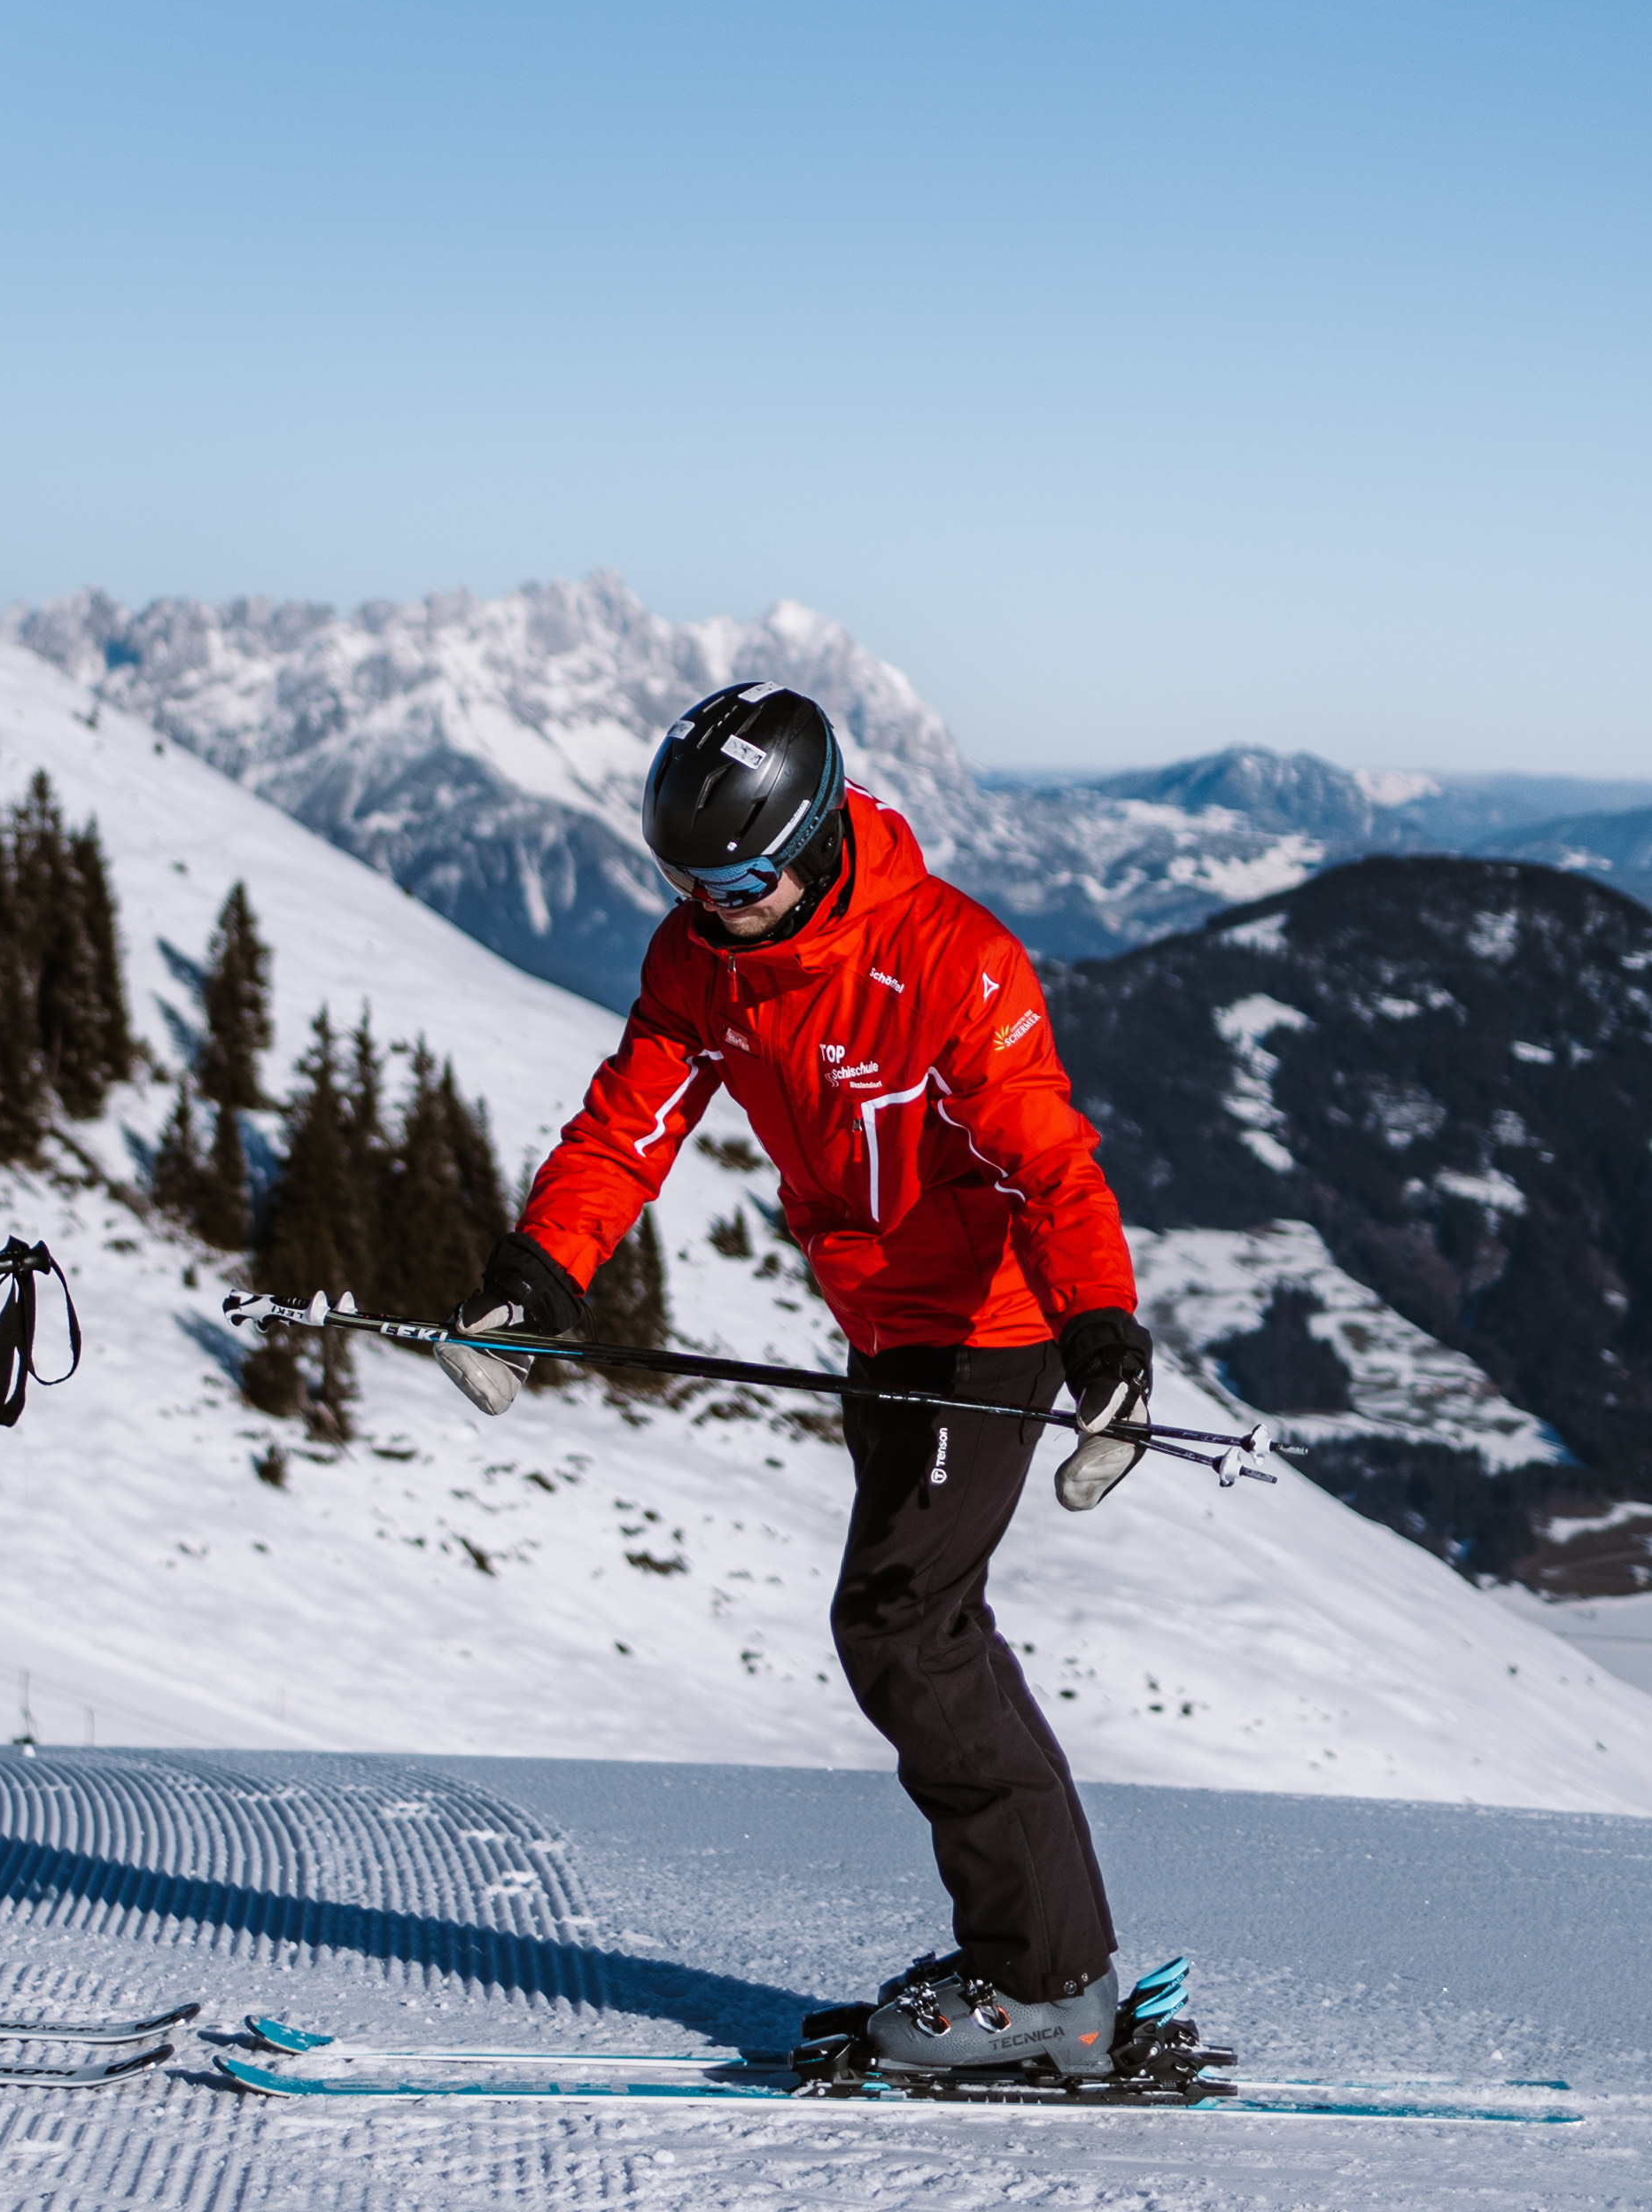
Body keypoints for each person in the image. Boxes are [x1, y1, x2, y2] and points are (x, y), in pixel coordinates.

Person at [441, 684, 1154, 2080]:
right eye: (687, 879)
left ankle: (1048, 1982)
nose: (719, 904)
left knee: (907, 1627)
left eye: (745, 877)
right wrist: (540, 1276)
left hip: (989, 1331)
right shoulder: (704, 960)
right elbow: (628, 1123)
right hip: (879, 1328)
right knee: (918, 1625)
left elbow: (1048, 1160)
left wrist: (1101, 1330)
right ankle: (1043, 1953)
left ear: (819, 835)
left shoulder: (955, 962)